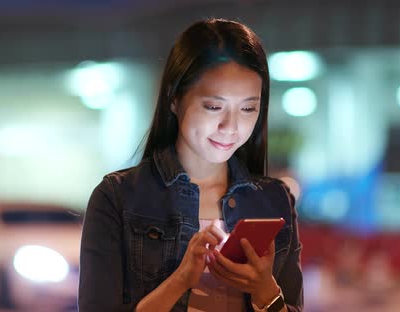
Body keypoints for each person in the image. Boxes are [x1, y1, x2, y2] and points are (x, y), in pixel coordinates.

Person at [79, 18, 303, 312]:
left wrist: (266, 293)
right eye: (213, 107)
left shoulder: (274, 201)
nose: (230, 126)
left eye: (248, 108)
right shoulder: (118, 198)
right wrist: (180, 280)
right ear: (174, 97)